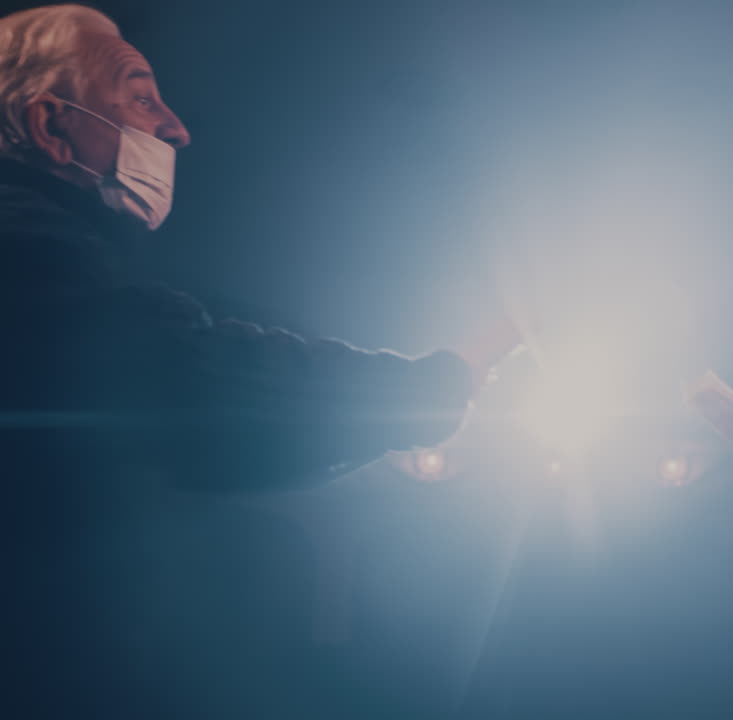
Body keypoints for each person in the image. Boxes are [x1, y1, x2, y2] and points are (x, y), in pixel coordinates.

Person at [0, 4, 520, 714]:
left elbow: (228, 441)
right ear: (50, 126)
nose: (176, 128)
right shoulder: (28, 265)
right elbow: (199, 380)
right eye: (140, 98)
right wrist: (449, 376)